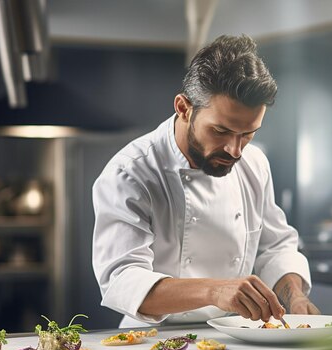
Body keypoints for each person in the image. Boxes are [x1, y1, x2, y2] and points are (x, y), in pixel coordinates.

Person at [92, 34, 320, 328]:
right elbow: (121, 281)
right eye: (221, 131)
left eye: (248, 134)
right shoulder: (131, 172)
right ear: (184, 108)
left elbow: (275, 246)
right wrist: (215, 291)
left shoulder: (254, 163)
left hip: (234, 336)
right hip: (151, 341)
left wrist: (296, 298)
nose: (235, 150)